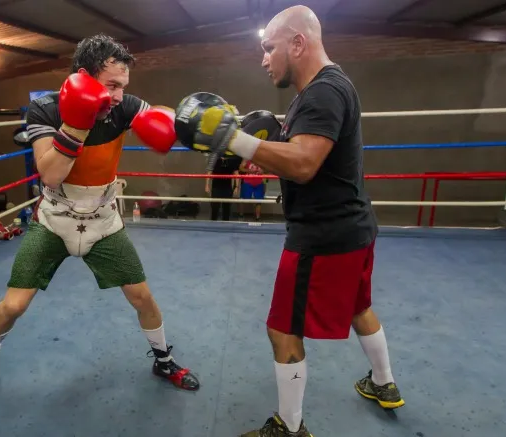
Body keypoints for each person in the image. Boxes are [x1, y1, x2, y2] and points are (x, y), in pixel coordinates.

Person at [172, 6, 403, 437]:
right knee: (358, 306)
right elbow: (302, 155)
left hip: (322, 236)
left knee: (282, 330)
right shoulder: (322, 88)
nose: (264, 59)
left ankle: (290, 428)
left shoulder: (322, 93)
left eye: (269, 47)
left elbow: (304, 163)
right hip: (353, 227)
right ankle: (384, 384)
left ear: (298, 44)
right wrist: (264, 156)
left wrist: (232, 138)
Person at [0, 33, 199, 407]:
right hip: (54, 221)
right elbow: (51, 174)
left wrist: (193, 125)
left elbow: (161, 119)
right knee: (13, 306)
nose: (121, 95)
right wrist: (77, 121)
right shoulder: (45, 109)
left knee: (142, 297)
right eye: (112, 86)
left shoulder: (125, 107)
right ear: (85, 79)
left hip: (104, 221)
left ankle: (163, 360)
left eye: (124, 86)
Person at [205, 154, 241, 221]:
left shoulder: (232, 160)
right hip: (216, 187)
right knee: (215, 208)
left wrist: (237, 187)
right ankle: (213, 223)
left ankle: (225, 224)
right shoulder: (215, 160)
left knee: (226, 208)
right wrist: (207, 185)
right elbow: (209, 172)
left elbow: (237, 174)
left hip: (227, 188)